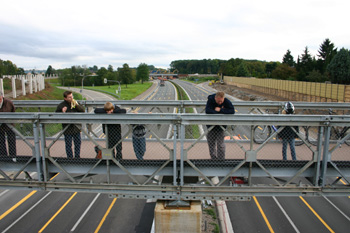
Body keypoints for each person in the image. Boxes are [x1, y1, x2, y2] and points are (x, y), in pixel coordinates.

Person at [205, 91, 235, 159]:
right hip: (211, 125)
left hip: (221, 126)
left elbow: (232, 111)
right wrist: (218, 112)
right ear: (215, 98)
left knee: (220, 144)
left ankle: (221, 159)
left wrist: (220, 110)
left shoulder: (226, 101)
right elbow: (207, 110)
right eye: (218, 101)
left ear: (223, 98)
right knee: (211, 143)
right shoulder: (210, 100)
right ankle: (213, 159)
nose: (220, 103)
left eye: (221, 101)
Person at [55, 91, 85, 158]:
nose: (71, 98)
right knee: (68, 145)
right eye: (69, 97)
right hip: (67, 128)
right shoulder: (61, 105)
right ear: (65, 98)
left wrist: (76, 105)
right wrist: (62, 112)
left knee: (78, 143)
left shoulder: (76, 103)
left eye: (72, 96)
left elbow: (83, 110)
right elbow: (56, 116)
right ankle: (70, 158)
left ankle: (77, 157)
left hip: (76, 127)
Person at [0, 93, 16, 157]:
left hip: (9, 125)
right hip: (0, 127)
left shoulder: (8, 102)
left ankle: (13, 157)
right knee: (1, 143)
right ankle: (4, 157)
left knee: (11, 141)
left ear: (2, 97)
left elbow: (13, 111)